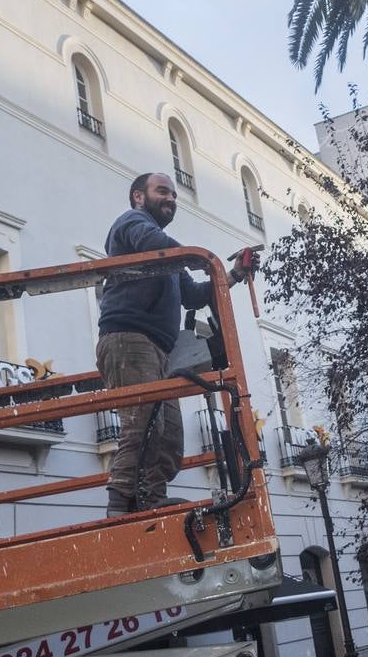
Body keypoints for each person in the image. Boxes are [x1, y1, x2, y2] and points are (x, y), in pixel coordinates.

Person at [97, 172, 255, 516]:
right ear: (139, 196)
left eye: (173, 195)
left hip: (156, 349)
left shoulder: (167, 258)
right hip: (129, 338)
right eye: (163, 192)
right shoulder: (133, 222)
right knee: (143, 425)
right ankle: (120, 505)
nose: (171, 198)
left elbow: (196, 295)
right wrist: (196, 256)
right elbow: (156, 244)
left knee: (168, 437)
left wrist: (234, 275)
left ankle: (150, 498)